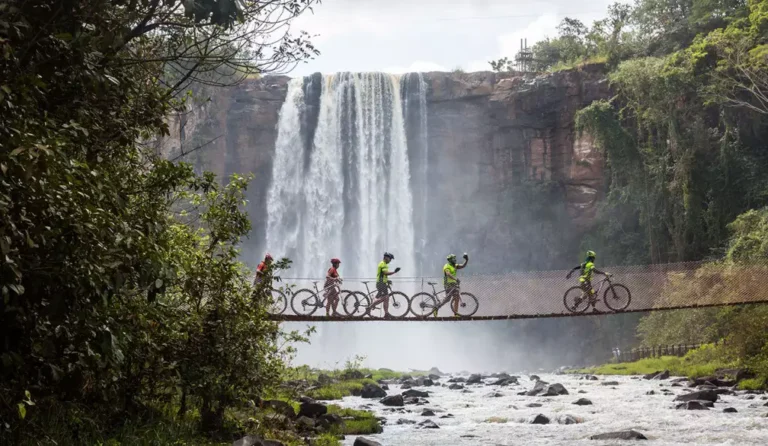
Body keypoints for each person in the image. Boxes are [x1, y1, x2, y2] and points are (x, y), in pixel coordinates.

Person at [366, 252, 400, 317]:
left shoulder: (382, 264)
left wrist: (387, 281)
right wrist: (394, 272)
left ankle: (386, 314)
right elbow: (385, 273)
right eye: (390, 259)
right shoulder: (383, 264)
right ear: (386, 258)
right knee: (385, 297)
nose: (390, 260)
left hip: (382, 282)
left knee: (386, 298)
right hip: (381, 283)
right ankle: (369, 307)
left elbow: (382, 275)